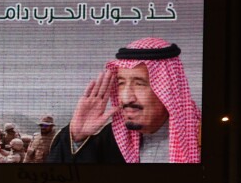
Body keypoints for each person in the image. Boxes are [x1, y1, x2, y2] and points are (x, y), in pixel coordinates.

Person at [47, 37, 200, 163]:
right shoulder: (110, 139)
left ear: (169, 89)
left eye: (139, 84)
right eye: (121, 83)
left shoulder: (200, 137)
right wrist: (77, 135)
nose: (126, 97)